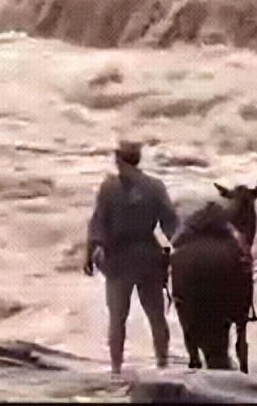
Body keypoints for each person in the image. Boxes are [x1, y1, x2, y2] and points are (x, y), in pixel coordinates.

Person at [84, 140, 179, 375]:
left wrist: (91, 252)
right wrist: (182, 248)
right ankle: (162, 364)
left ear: (119, 159)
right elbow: (170, 224)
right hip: (148, 255)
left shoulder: (109, 188)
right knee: (156, 316)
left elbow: (98, 223)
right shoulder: (155, 187)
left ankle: (117, 368)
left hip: (119, 259)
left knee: (118, 318)